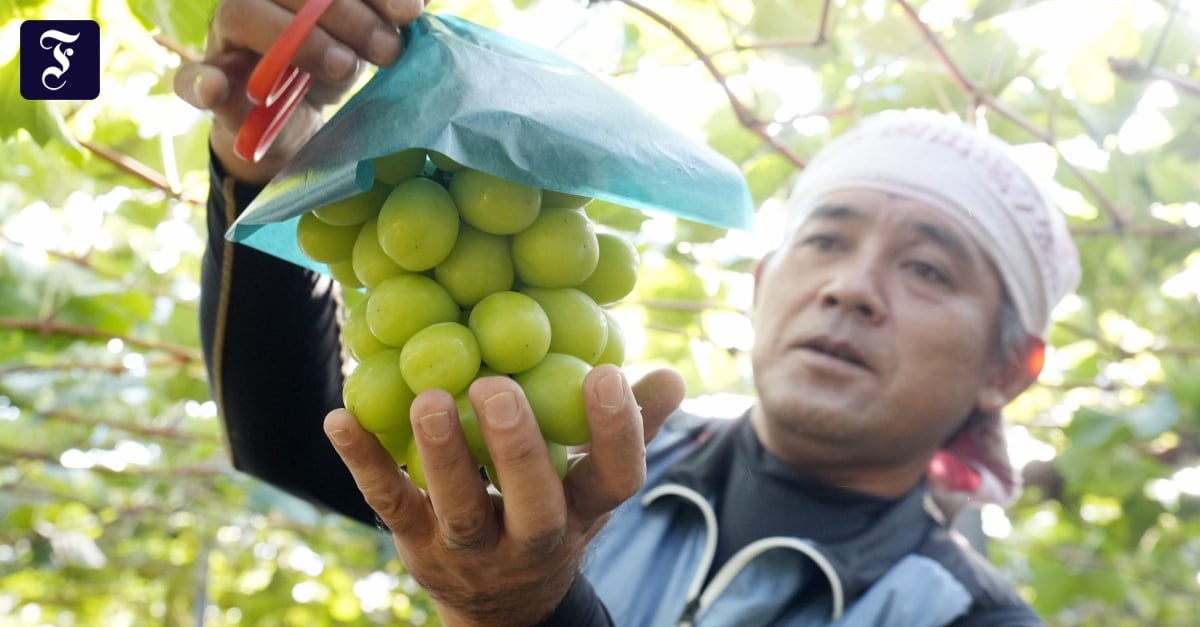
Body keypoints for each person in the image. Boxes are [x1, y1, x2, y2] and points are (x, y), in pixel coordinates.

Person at [176, 1, 1080, 625]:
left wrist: (529, 613)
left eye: (927, 268)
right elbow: (291, 440)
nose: (850, 287)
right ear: (764, 285)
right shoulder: (568, 444)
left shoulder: (970, 616)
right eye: (827, 241)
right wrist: (268, 166)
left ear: (1011, 366)